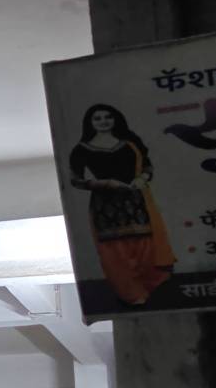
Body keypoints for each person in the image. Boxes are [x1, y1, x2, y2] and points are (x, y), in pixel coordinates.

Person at [69, 103, 175, 306]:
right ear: (90, 123)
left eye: (107, 117)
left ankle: (151, 289)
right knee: (115, 252)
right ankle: (132, 294)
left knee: (145, 246)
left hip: (136, 200)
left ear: (115, 119)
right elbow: (75, 180)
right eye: (97, 118)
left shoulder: (130, 143)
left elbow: (147, 166)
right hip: (105, 206)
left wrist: (142, 178)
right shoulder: (81, 149)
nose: (103, 121)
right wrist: (104, 183)